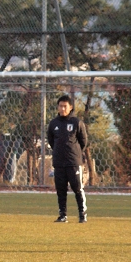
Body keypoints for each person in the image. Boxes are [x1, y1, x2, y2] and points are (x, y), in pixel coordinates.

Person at [47, 94, 88, 223]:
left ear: (70, 107)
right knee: (61, 189)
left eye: (65, 106)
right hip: (59, 162)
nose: (63, 109)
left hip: (73, 162)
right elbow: (51, 141)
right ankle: (63, 215)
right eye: (60, 106)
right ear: (58, 107)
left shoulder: (77, 122)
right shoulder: (53, 123)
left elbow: (83, 142)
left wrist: (75, 153)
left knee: (77, 188)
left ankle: (82, 214)